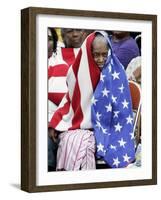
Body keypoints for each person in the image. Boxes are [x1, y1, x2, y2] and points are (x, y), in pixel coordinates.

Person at [49, 31, 135, 170]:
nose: (101, 59)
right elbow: (70, 99)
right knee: (73, 141)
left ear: (110, 52)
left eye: (104, 54)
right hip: (82, 126)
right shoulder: (76, 72)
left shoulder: (117, 73)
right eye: (96, 54)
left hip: (111, 128)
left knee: (83, 142)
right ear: (89, 52)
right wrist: (56, 120)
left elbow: (121, 110)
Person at [48, 28, 87, 171]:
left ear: (85, 32)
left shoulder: (94, 56)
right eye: (70, 31)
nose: (75, 34)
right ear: (63, 35)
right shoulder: (54, 61)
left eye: (79, 30)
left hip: (81, 119)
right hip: (56, 119)